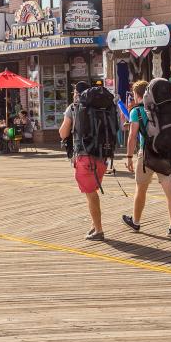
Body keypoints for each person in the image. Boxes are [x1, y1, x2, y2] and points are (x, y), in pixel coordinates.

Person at [123, 79, 171, 239]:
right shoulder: (162, 109)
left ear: (136, 94)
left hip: (146, 154)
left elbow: (132, 136)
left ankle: (136, 221)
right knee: (170, 192)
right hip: (165, 153)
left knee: (141, 189)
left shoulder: (136, 111)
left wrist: (128, 157)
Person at [58, 81, 115, 241]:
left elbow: (63, 133)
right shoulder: (103, 106)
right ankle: (94, 225)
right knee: (93, 192)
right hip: (103, 154)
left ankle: (99, 230)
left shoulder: (74, 107)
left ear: (77, 93)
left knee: (91, 194)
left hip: (85, 155)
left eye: (74, 92)